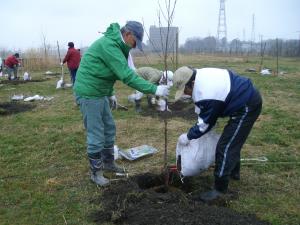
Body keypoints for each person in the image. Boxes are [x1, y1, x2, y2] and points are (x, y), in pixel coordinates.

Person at [73, 21, 169, 186]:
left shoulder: (118, 45)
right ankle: (95, 173)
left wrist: (110, 94)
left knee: (109, 127)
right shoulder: (110, 46)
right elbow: (126, 76)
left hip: (100, 91)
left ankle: (109, 163)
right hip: (89, 92)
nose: (134, 46)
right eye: (135, 42)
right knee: (96, 132)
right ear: (128, 34)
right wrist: (154, 89)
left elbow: (107, 72)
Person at [173, 66, 262, 202]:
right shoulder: (200, 76)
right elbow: (204, 110)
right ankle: (233, 172)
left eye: (185, 90)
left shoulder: (206, 92)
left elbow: (205, 124)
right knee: (232, 141)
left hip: (246, 105)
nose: (186, 94)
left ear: (192, 83)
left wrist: (189, 136)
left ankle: (219, 189)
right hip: (242, 97)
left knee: (225, 146)